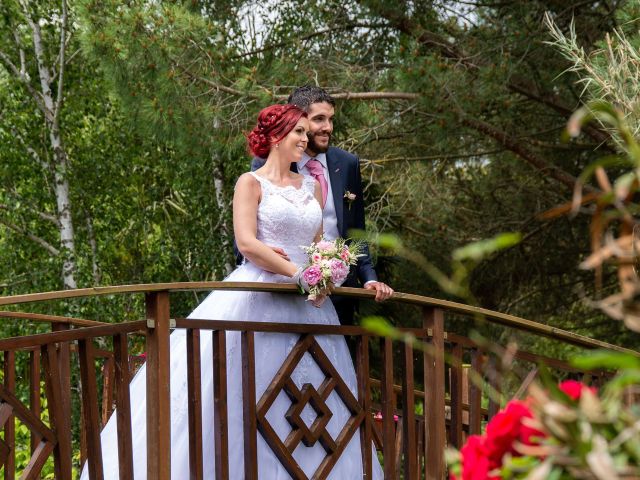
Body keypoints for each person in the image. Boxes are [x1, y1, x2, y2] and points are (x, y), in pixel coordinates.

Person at [81, 104, 383, 479]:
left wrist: (326, 266)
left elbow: (318, 241)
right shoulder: (250, 182)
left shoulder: (311, 186)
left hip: (309, 307)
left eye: (307, 133)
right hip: (257, 296)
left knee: (310, 392)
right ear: (276, 137)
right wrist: (299, 273)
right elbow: (247, 243)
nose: (306, 140)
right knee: (243, 391)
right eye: (299, 132)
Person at [251, 86, 393, 325]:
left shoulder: (347, 163)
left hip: (339, 290)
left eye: (330, 119)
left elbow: (356, 231)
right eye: (319, 119)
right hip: (284, 287)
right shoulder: (267, 164)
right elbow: (252, 227)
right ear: (298, 121)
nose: (328, 127)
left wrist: (369, 278)